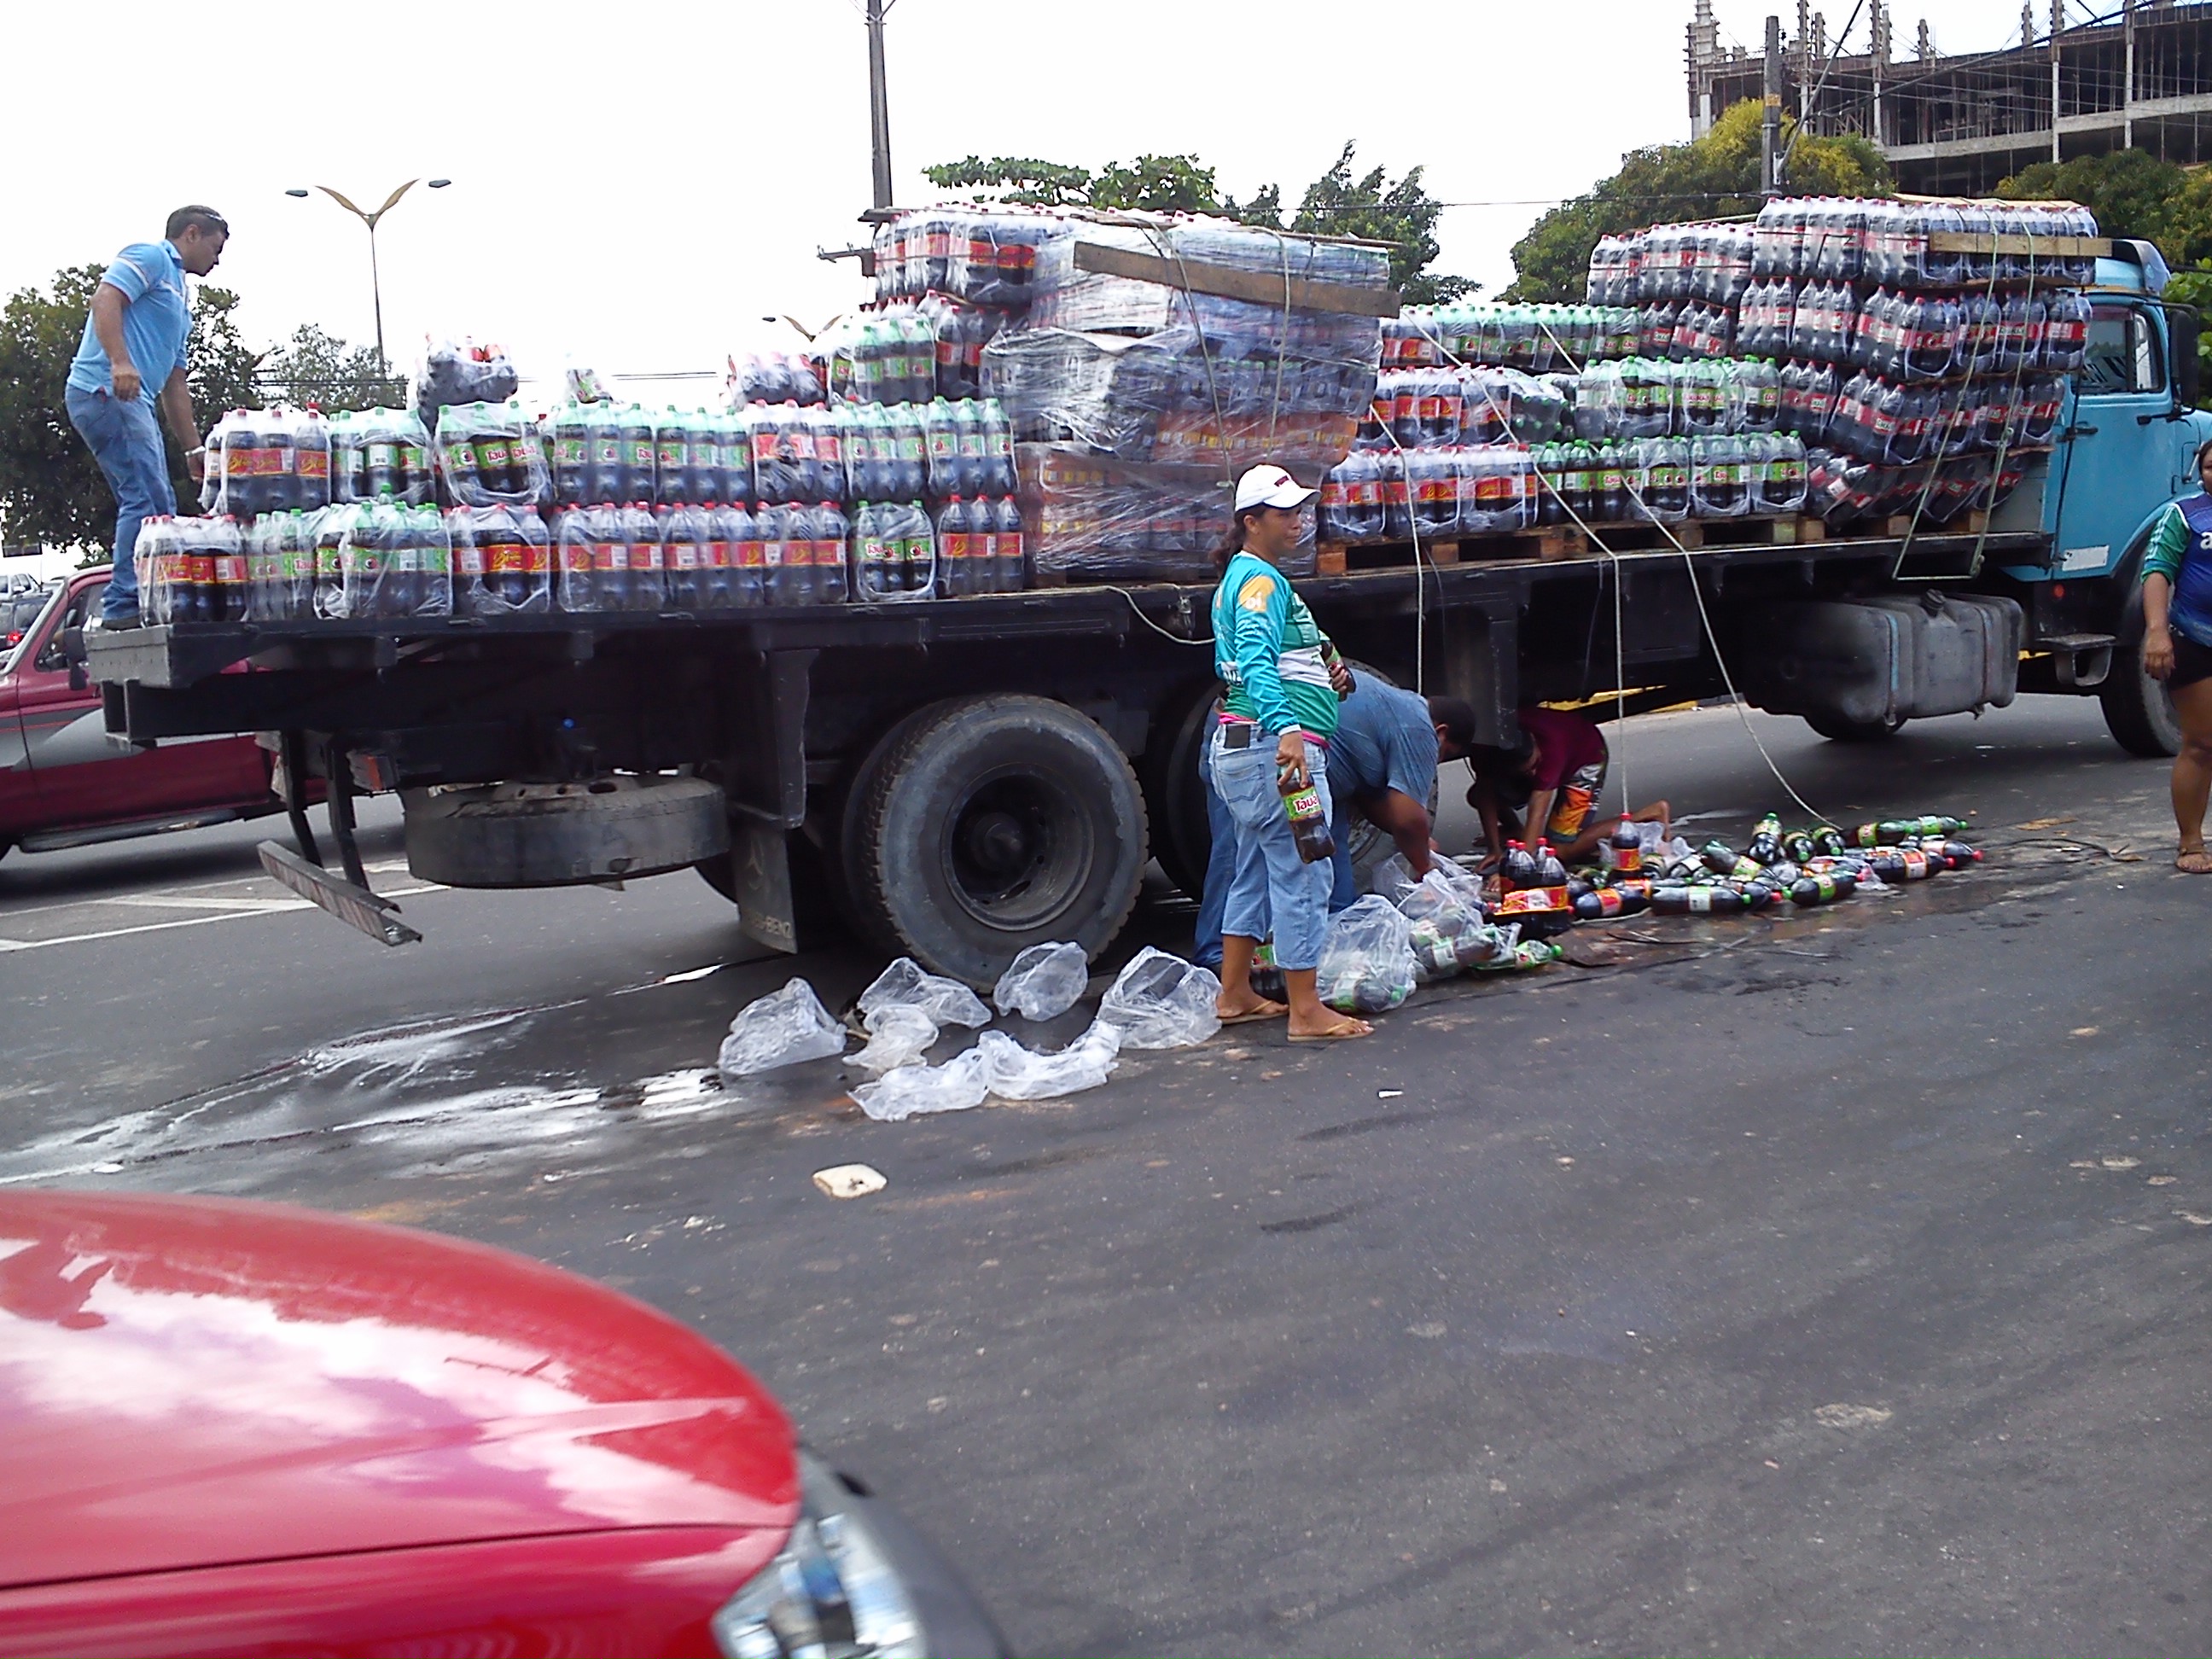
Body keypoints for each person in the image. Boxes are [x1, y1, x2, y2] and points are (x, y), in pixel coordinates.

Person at [1208, 464, 1370, 1042]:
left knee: (1254, 869)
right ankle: (1307, 1010)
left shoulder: (1256, 577)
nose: (1300, 520)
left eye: (1302, 509)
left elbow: (1283, 646)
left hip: (1248, 749)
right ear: (1252, 523)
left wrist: (1327, 661)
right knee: (1305, 872)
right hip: (1275, 754)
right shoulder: (1258, 584)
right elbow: (1255, 660)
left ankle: (1235, 994)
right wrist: (1289, 730)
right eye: (1286, 513)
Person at [1195, 684, 1479, 969]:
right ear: (1441, 731)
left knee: (1330, 879)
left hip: (1305, 764)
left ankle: (1328, 951)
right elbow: (1409, 819)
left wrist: (1417, 842)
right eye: (1444, 753)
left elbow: (1380, 805)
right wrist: (1425, 867)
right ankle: (1218, 959)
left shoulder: (1397, 709)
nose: (1436, 760)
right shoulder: (1420, 728)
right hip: (1256, 746)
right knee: (1240, 859)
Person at [66, 206, 229, 626]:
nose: (218, 259)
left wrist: (193, 447)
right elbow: (105, 298)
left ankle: (146, 599)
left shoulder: (180, 298)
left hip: (132, 400)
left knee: (159, 504)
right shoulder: (153, 257)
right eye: (215, 247)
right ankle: (123, 606)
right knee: (144, 498)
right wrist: (120, 361)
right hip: (105, 390)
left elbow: (176, 383)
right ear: (191, 234)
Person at [1466, 704, 1670, 867]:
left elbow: (1537, 813)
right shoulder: (1487, 748)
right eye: (1528, 772)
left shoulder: (1552, 750)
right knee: (1475, 796)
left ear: (1536, 745)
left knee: (1559, 849)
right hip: (1538, 758)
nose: (1535, 774)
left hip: (1585, 759)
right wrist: (1495, 851)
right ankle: (1515, 831)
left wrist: (1519, 867)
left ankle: (1646, 814)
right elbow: (1485, 793)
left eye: (1535, 766)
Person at [2138, 438, 2212, 872]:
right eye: (2208, 467)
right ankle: (2191, 843)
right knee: (2202, 744)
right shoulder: (2182, 515)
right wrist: (2157, 633)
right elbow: (2157, 571)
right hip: (2195, 639)